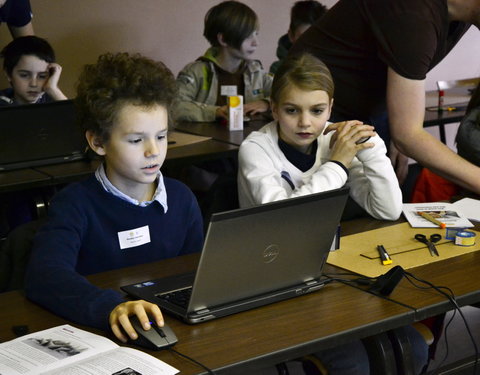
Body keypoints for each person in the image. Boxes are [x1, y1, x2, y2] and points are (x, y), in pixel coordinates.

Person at [25, 52, 204, 343]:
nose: (153, 152)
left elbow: (197, 272)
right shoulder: (74, 205)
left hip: (171, 329)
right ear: (97, 142)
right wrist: (111, 307)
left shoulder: (182, 198)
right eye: (136, 140)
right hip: (99, 334)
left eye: (160, 136)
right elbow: (44, 275)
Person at [289, 0, 480, 195]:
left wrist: (403, 127)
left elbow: (400, 64)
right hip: (317, 109)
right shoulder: (414, 13)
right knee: (327, 205)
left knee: (383, 199)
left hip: (370, 105)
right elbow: (408, 135)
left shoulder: (462, 14)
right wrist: (407, 135)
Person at [238, 52, 402, 221]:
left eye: (317, 111)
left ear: (330, 108)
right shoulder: (255, 148)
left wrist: (371, 148)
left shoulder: (337, 140)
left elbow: (388, 211)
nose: (305, 122)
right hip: (270, 245)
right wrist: (337, 165)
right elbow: (283, 219)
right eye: (291, 110)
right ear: (274, 109)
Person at [173, 0, 272, 123]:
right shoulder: (196, 72)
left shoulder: (256, 72)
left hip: (250, 140)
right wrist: (215, 112)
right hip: (208, 140)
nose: (256, 43)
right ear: (223, 39)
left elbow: (289, 96)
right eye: (248, 36)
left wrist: (266, 103)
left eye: (256, 34)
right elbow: (174, 106)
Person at [0, 35, 67, 105]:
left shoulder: (54, 98)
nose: (34, 84)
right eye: (24, 75)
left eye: (42, 76)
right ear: (8, 74)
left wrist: (54, 90)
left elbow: (75, 115)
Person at [269, 0, 327, 75]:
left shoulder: (337, 66)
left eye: (317, 38)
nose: (311, 45)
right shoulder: (279, 70)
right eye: (303, 38)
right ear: (291, 36)